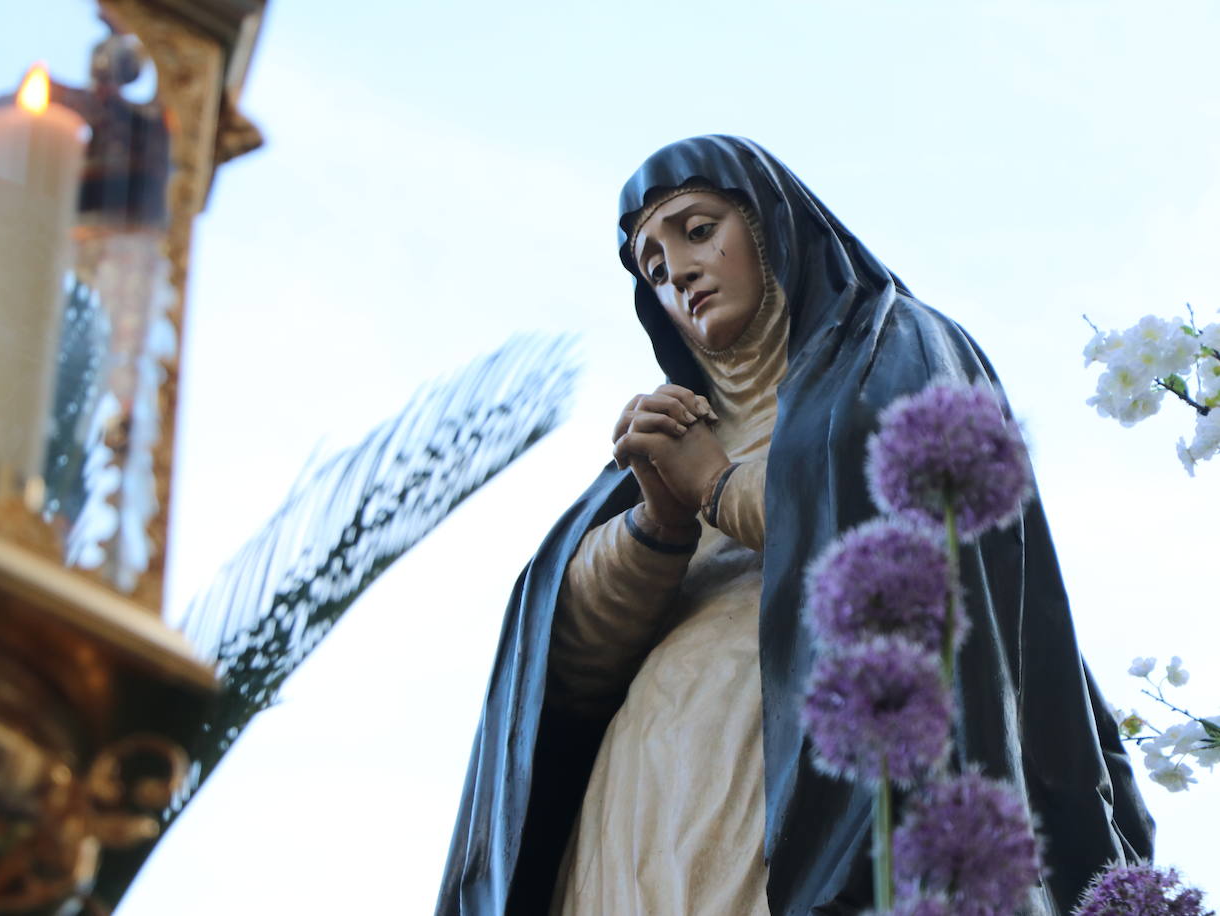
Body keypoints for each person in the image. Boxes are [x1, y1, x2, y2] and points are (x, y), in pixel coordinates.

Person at [437, 135, 1153, 916]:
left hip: (805, 799)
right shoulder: (664, 443)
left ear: (772, 226)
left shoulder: (895, 348)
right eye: (651, 265)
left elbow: (919, 536)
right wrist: (660, 522)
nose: (675, 270)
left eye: (698, 229)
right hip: (633, 817)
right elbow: (559, 675)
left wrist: (718, 486)